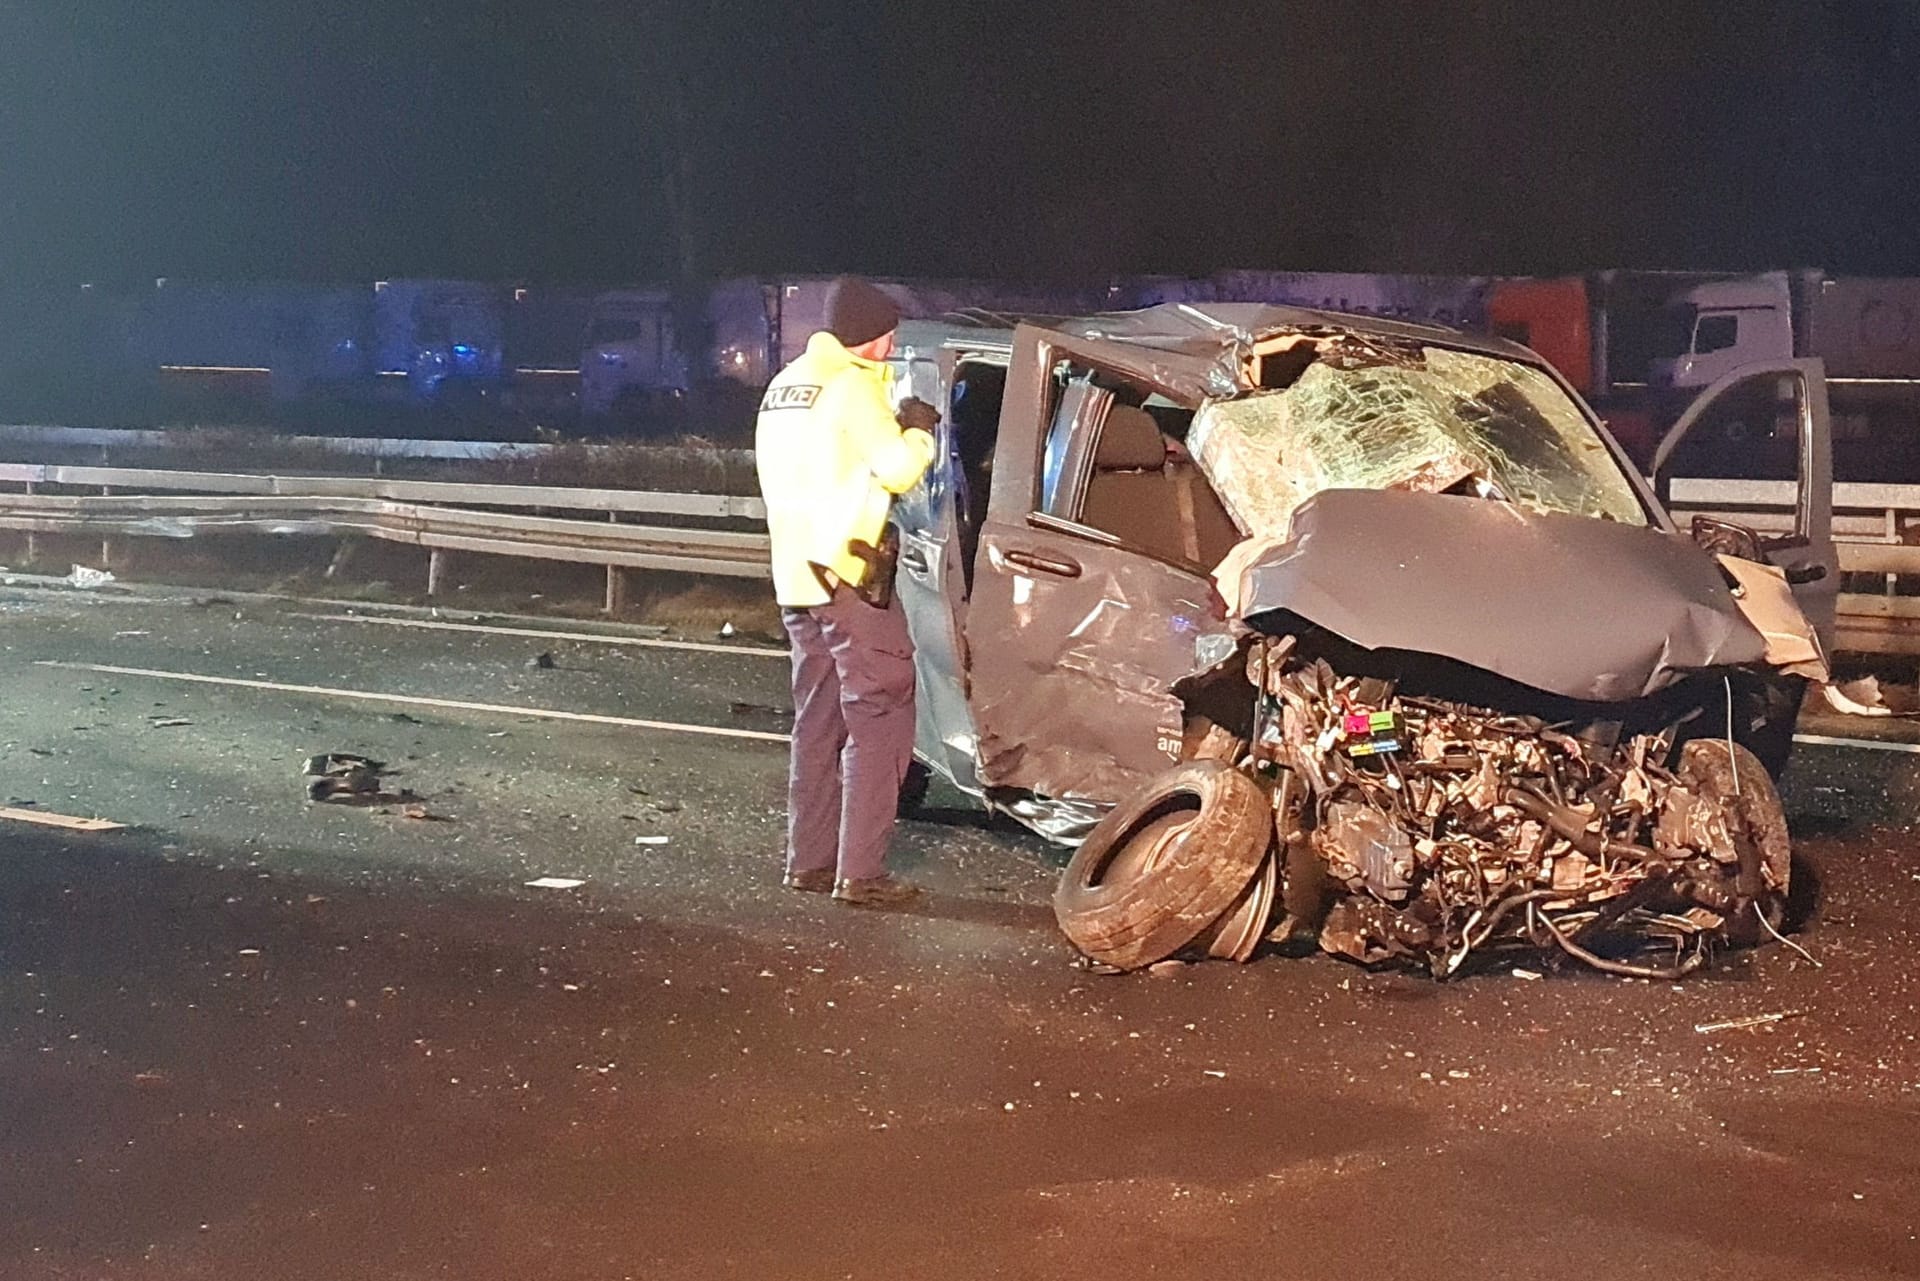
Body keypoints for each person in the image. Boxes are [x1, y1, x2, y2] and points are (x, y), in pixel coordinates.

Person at [755, 277, 938, 907]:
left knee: (817, 722)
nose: (893, 345)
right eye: (891, 333)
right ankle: (862, 873)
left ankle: (808, 863)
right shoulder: (854, 387)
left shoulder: (786, 384)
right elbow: (898, 470)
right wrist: (918, 430)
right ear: (874, 335)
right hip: (850, 576)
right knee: (882, 716)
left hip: (798, 577)